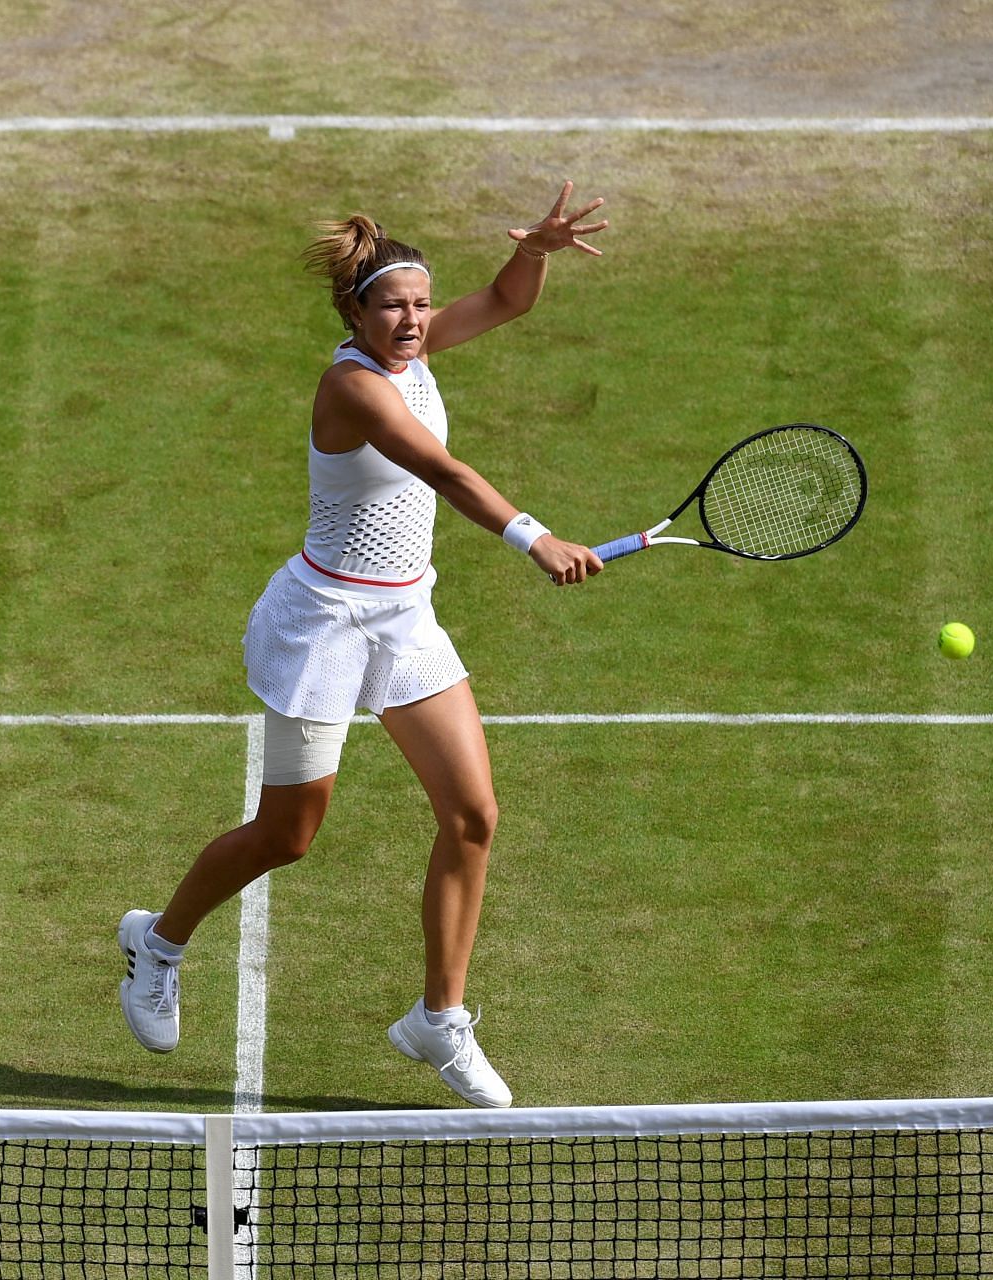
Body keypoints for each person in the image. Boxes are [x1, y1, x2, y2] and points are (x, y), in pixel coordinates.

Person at [119, 182, 610, 1108]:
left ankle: (439, 1021)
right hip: (324, 624)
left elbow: (505, 300)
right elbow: (444, 469)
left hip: (404, 618)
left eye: (423, 304)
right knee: (287, 834)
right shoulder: (353, 385)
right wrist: (534, 537)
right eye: (394, 305)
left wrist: (536, 250)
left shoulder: (420, 350)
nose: (415, 320)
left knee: (473, 816)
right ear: (355, 311)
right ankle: (158, 942)